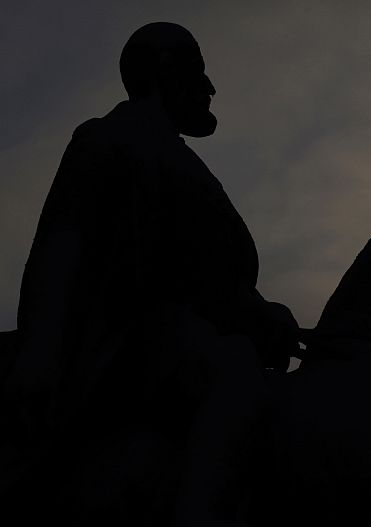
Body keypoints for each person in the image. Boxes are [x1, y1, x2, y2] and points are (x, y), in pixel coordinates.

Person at [2, 22, 297, 525]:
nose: (210, 87)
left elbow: (211, 274)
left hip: (188, 334)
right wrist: (39, 354)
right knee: (233, 376)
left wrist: (264, 313)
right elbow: (64, 244)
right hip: (137, 336)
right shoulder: (110, 138)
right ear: (165, 71)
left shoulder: (178, 158)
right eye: (199, 72)